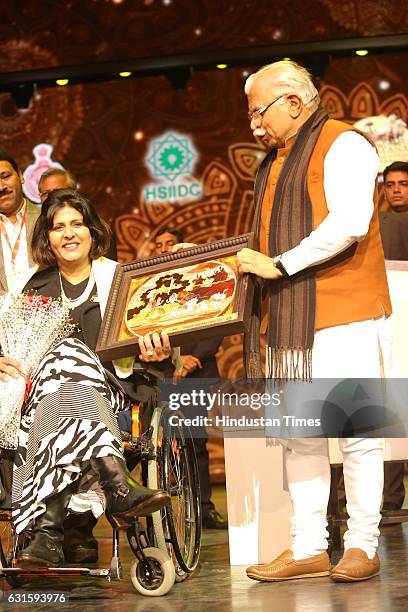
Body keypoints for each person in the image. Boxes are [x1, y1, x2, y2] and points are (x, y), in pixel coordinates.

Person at [236, 60, 394, 583]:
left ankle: (363, 543)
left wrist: (280, 265)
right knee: (300, 435)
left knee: (356, 432)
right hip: (289, 320)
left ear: (295, 103)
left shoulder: (343, 143)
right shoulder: (275, 161)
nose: (254, 124)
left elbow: (349, 222)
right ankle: (307, 547)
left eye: (259, 111)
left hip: (344, 310)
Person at [0, 188, 173, 569]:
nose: (68, 233)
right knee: (65, 363)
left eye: (77, 224)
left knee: (70, 354)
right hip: (45, 403)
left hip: (112, 392)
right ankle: (115, 485)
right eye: (58, 227)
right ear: (46, 237)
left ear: (92, 231)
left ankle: (46, 534)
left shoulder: (123, 278)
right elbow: (13, 347)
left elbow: (155, 346)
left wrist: (157, 351)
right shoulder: (33, 287)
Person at [154, 227, 228, 529]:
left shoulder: (203, 283)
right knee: (163, 447)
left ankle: (204, 509)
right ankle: (169, 512)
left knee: (195, 444)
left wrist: (193, 358)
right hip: (165, 376)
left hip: (198, 375)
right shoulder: (155, 289)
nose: (165, 249)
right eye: (159, 245)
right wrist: (175, 359)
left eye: (170, 243)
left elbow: (216, 322)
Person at [379, 161, 408, 513]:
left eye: (403, 183)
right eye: (391, 184)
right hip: (391, 327)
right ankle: (389, 501)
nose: (397, 189)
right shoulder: (376, 226)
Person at [38, 168, 117, 260]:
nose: (51, 197)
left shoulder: (98, 229)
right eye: (46, 193)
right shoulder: (37, 229)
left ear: (74, 192)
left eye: (58, 191)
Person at [0, 149, 40, 296]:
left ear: (21, 176)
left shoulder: (47, 220)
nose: (1, 187)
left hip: (45, 312)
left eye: (6, 176)